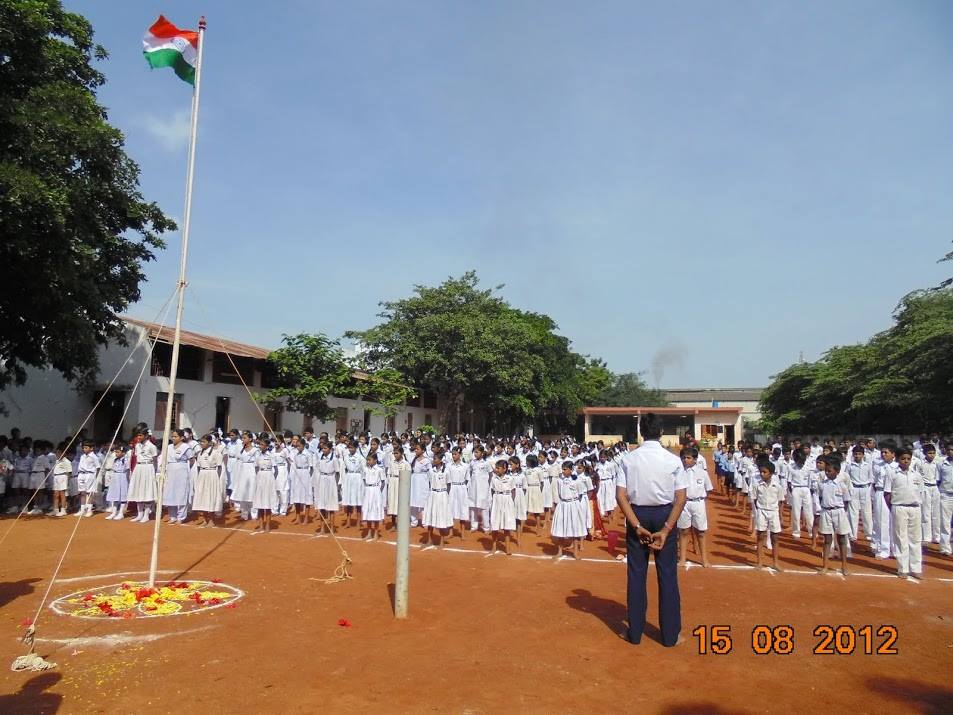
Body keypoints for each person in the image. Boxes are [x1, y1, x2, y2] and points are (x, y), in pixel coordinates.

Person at [617, 413, 688, 647]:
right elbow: (681, 498)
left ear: (641, 431)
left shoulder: (628, 459)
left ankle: (635, 633)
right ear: (661, 432)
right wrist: (667, 529)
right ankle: (670, 635)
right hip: (664, 514)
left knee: (636, 575)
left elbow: (621, 496)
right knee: (667, 575)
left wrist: (636, 525)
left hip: (638, 514)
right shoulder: (673, 460)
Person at [885, 446, 924, 579]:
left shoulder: (917, 475)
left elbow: (921, 492)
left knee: (915, 538)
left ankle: (916, 567)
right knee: (901, 538)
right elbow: (887, 494)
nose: (906, 461)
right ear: (897, 459)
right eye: (903, 459)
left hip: (915, 508)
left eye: (908, 459)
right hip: (899, 507)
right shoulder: (892, 473)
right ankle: (903, 568)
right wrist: (892, 508)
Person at [676, 447, 712, 568]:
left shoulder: (703, 473)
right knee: (683, 531)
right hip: (684, 504)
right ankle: (682, 559)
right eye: (684, 458)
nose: (685, 460)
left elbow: (708, 489)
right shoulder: (679, 472)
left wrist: (700, 500)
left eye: (688, 458)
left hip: (698, 503)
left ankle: (704, 559)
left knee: (701, 532)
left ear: (695, 460)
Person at [818, 456, 851, 576]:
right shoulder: (822, 484)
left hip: (839, 511)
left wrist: (841, 511)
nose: (827, 473)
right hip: (826, 512)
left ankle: (844, 566)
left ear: (837, 472)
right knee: (827, 540)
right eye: (826, 471)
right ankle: (825, 566)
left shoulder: (842, 485)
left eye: (829, 471)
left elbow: (846, 501)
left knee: (842, 539)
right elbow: (821, 497)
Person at [752, 462, 783, 571]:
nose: (762, 474)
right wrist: (761, 509)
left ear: (771, 474)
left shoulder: (777, 486)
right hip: (761, 511)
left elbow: (780, 501)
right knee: (760, 536)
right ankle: (760, 562)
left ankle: (775, 562)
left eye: (764, 472)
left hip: (773, 512)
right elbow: (755, 500)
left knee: (775, 537)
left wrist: (780, 515)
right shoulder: (757, 485)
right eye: (761, 471)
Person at [845, 445, 873, 552]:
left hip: (865, 488)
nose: (857, 456)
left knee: (867, 512)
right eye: (855, 454)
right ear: (853, 455)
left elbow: (871, 479)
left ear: (863, 455)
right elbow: (847, 479)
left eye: (859, 454)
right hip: (854, 489)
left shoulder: (867, 465)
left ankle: (869, 534)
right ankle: (853, 535)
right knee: (853, 513)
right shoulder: (849, 465)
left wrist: (868, 490)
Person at [192, 434, 224, 527]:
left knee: (210, 497)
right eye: (201, 442)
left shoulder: (215, 453)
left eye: (204, 442)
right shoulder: (199, 453)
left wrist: (216, 478)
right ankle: (205, 519)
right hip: (202, 474)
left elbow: (219, 467)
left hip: (212, 474)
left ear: (209, 443)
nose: (201, 443)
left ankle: (211, 520)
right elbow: (198, 467)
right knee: (202, 496)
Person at [422, 451, 452, 548]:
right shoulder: (431, 471)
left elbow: (449, 485)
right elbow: (429, 483)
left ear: (440, 460)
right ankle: (430, 540)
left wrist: (444, 494)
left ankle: (442, 541)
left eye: (435, 458)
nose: (433, 460)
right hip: (433, 495)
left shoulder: (446, 472)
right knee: (430, 517)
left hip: (442, 495)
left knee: (441, 517)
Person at [489, 459, 516, 555]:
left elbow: (513, 492)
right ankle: (494, 546)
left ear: (505, 469)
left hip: (507, 500)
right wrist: (495, 500)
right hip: (497, 500)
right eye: (496, 468)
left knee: (506, 526)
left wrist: (511, 502)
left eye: (498, 468)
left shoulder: (510, 479)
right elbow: (492, 491)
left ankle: (507, 548)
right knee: (495, 524)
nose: (496, 470)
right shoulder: (494, 479)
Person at [253, 436, 276, 533]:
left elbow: (276, 470)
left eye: (262, 445)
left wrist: (271, 479)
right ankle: (261, 524)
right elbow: (256, 467)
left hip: (269, 476)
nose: (260, 446)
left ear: (267, 446)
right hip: (260, 477)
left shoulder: (271, 455)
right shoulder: (258, 456)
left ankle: (268, 525)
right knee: (260, 502)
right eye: (260, 444)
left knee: (268, 502)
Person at [446, 447, 471, 540]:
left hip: (462, 487)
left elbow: (468, 479)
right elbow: (447, 479)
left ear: (459, 454)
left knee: (462, 509)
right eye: (452, 454)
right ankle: (451, 531)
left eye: (455, 454)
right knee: (451, 509)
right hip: (452, 487)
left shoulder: (465, 466)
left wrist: (465, 489)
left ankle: (462, 532)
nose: (453, 456)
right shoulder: (449, 466)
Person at [289, 436, 314, 525]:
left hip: (305, 473)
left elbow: (311, 467)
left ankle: (306, 518)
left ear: (303, 445)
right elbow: (294, 465)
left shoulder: (308, 454)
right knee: (297, 496)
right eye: (297, 446)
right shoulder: (296, 454)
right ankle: (298, 517)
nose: (298, 448)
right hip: (298, 474)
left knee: (306, 497)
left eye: (299, 446)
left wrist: (309, 478)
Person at [360, 452, 385, 541]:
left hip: (375, 491)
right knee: (368, 511)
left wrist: (378, 491)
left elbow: (383, 482)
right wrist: (367, 488)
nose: (368, 461)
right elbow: (363, 479)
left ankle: (376, 534)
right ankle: (369, 533)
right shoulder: (365, 469)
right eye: (367, 460)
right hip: (367, 490)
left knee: (375, 512)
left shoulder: (379, 469)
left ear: (375, 460)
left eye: (369, 460)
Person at [75, 440, 101, 518]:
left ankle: (89, 510)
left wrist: (95, 477)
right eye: (83, 448)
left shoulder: (94, 457)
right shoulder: (82, 456)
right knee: (82, 492)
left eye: (86, 448)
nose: (84, 449)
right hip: (81, 474)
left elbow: (98, 468)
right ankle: (82, 510)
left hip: (89, 474)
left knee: (89, 493)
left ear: (91, 448)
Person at [104, 444, 129, 520]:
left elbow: (127, 470)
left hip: (122, 477)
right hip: (115, 477)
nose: (116, 454)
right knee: (114, 495)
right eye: (116, 452)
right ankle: (114, 512)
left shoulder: (125, 460)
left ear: (123, 453)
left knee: (122, 495)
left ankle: (121, 513)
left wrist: (127, 480)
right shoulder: (115, 460)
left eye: (118, 452)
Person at [937, 443, 953, 556]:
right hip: (946, 495)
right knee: (945, 522)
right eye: (949, 450)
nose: (951, 451)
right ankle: (945, 547)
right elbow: (937, 480)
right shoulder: (941, 463)